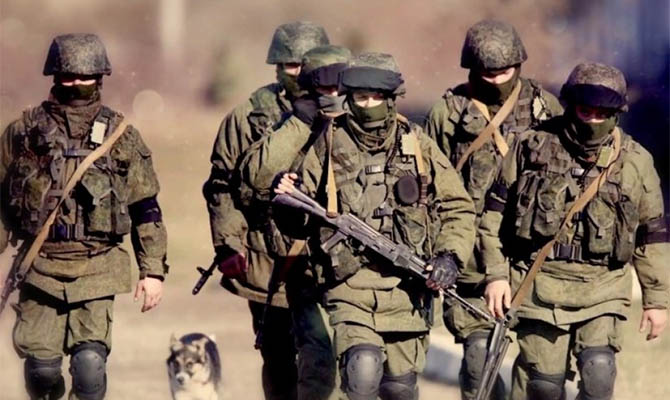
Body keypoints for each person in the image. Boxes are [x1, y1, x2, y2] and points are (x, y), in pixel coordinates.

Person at [249, 52, 476, 400]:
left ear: (391, 98)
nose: (368, 105)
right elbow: (297, 219)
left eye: (376, 97)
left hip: (407, 287)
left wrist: (449, 257)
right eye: (360, 97)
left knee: (400, 389)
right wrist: (290, 197)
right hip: (349, 284)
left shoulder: (416, 143)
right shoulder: (327, 141)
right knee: (362, 371)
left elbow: (458, 206)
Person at [480, 62, 669, 400]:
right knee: (542, 385)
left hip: (603, 287)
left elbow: (650, 235)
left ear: (617, 114)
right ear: (570, 106)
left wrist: (656, 301)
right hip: (539, 284)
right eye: (585, 111)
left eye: (602, 114)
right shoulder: (530, 147)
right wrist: (496, 275)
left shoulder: (636, 162)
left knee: (599, 373)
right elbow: (493, 216)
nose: (593, 120)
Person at [0, 33, 168, 400]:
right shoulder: (22, 133)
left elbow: (145, 207)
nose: (76, 83)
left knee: (90, 366)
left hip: (98, 266)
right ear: (54, 76)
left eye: (84, 76)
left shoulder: (122, 136)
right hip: (39, 267)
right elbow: (1, 202)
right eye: (68, 75)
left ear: (99, 77)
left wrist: (152, 270)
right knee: (41, 371)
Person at [424, 19, 563, 400]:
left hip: (531, 257)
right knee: (478, 364)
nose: (498, 80)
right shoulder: (447, 112)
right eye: (488, 73)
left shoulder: (545, 107)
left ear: (519, 63)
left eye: (505, 71)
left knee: (542, 374)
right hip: (472, 258)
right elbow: (428, 186)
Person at [202, 21, 329, 400]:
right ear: (276, 66)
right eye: (291, 65)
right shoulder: (247, 117)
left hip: (323, 253)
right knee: (277, 354)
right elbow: (222, 186)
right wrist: (228, 244)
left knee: (323, 353)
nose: (300, 72)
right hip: (265, 256)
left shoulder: (343, 109)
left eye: (307, 64)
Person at [239, 43, 352, 400]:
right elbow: (254, 176)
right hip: (301, 261)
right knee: (314, 360)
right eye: (322, 88)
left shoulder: (366, 123)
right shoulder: (290, 125)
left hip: (357, 266)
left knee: (361, 364)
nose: (331, 96)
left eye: (338, 87)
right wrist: (301, 123)